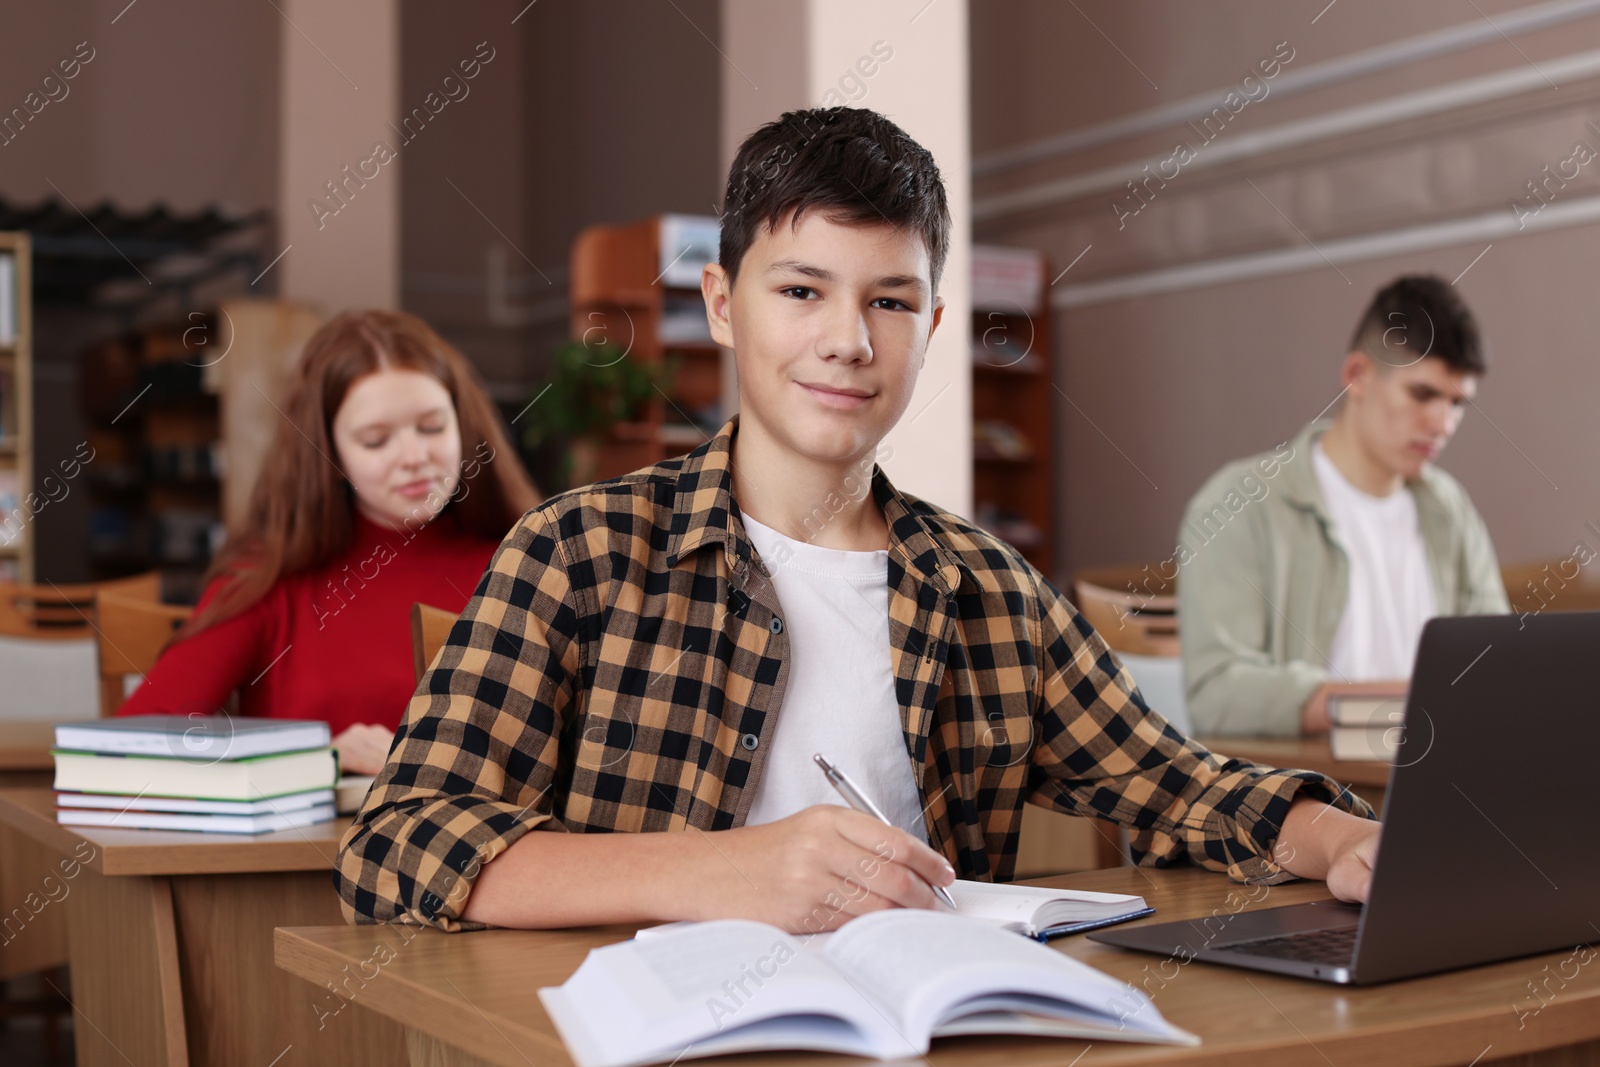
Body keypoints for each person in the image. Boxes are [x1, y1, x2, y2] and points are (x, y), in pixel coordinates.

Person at [336, 107, 1379, 937]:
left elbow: (1173, 784)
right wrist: (723, 870)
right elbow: (401, 840)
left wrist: (1337, 835)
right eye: (801, 289)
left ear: (929, 329)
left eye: (889, 302)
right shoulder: (579, 553)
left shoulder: (988, 588)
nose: (847, 340)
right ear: (722, 302)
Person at [117, 310, 540, 774]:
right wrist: (320, 762)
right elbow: (135, 743)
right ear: (329, 455)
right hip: (313, 846)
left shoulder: (525, 565)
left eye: (433, 427)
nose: (415, 457)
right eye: (377, 441)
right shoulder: (269, 577)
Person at [1179, 275, 1509, 738]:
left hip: (1440, 775)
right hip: (1311, 794)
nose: (1443, 424)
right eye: (1423, 394)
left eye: (1458, 403)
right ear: (1357, 376)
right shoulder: (1240, 503)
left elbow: (1496, 668)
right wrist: (1404, 703)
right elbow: (1218, 696)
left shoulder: (1449, 508)